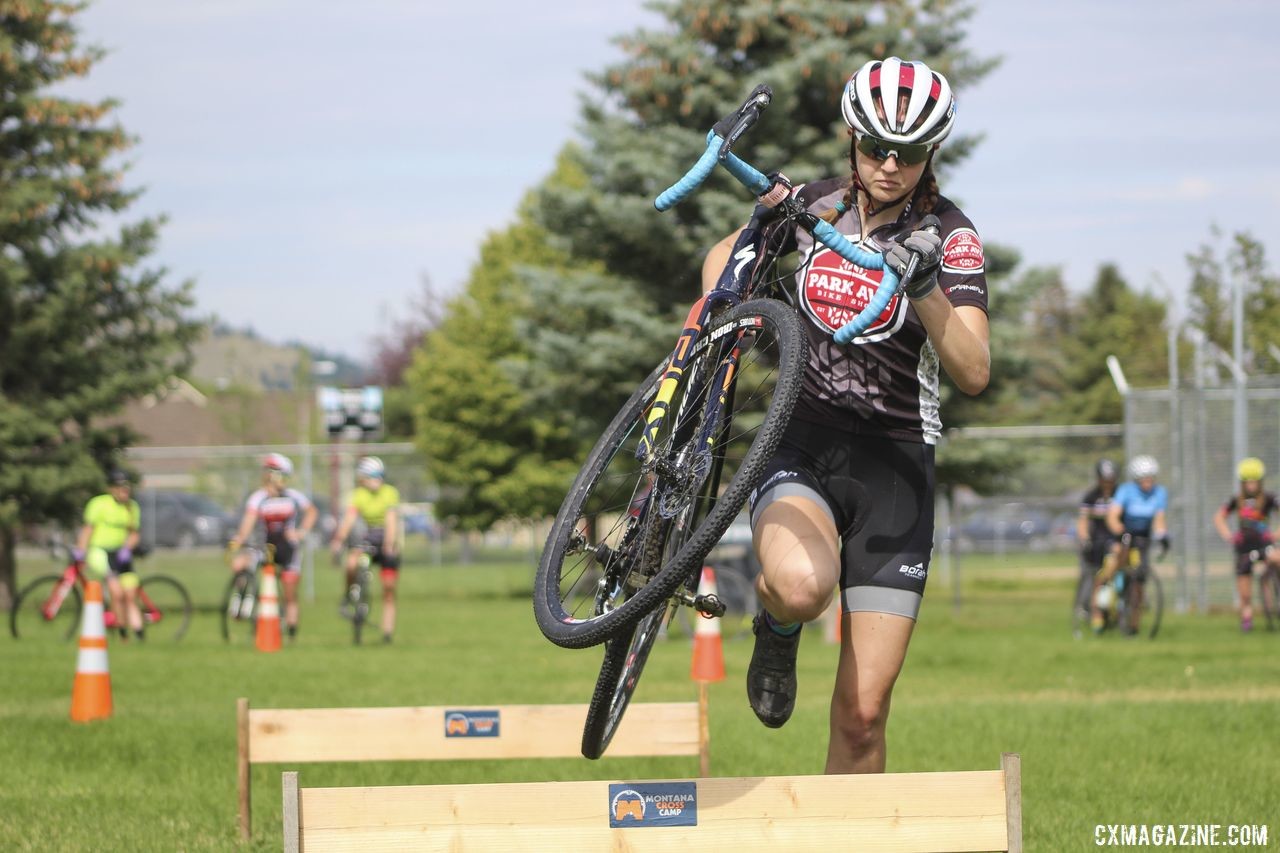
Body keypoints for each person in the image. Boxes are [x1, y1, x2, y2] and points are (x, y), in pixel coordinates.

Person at [701, 57, 989, 773]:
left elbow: (975, 369)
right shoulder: (817, 207)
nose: (891, 165)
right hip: (802, 443)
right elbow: (717, 267)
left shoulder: (951, 236)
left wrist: (925, 289)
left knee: (862, 718)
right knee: (801, 587)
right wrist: (734, 294)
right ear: (852, 140)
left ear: (933, 154)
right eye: (875, 146)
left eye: (911, 152)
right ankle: (775, 623)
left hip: (896, 468)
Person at [228, 453, 317, 641]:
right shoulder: (258, 498)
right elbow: (248, 521)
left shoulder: (293, 496)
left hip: (287, 549)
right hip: (263, 548)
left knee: (290, 592)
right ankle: (241, 602)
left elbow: (311, 512)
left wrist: (301, 533)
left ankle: (291, 631)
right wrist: (239, 539)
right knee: (239, 564)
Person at [1092, 455, 1169, 635]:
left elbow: (1159, 520)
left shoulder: (1159, 493)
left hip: (1143, 538)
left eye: (1151, 479)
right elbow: (1112, 516)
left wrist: (1162, 536)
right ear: (1136, 479)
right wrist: (1119, 530)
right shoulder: (1126, 491)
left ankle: (1134, 624)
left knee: (1140, 579)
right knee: (1114, 563)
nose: (1148, 483)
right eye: (1144, 480)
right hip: (1124, 534)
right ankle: (1101, 600)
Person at [329, 456, 402, 644]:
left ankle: (387, 632)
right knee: (352, 562)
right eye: (372, 477)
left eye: (379, 476)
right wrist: (339, 539)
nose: (377, 480)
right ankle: (349, 594)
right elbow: (349, 519)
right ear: (363, 478)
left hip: (387, 541)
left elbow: (391, 521)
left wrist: (389, 545)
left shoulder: (389, 493)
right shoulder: (359, 495)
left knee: (388, 589)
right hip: (369, 540)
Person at [74, 469, 143, 641]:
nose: (124, 492)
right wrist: (81, 550)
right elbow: (88, 529)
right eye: (120, 488)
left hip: (121, 553)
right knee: (116, 592)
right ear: (111, 489)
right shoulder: (98, 504)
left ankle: (139, 634)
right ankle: (122, 633)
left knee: (130, 594)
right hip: (101, 551)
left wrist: (127, 548)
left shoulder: (132, 507)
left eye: (127, 488)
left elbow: (134, 533)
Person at [1212, 457, 1279, 632]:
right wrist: (1229, 536)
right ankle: (1247, 621)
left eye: (1254, 481)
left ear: (1260, 481)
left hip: (1264, 544)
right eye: (1247, 481)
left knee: (1277, 558)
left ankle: (1275, 595)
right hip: (1243, 548)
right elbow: (1219, 517)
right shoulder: (1236, 500)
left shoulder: (1270, 498)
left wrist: (1275, 534)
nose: (1251, 485)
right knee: (1245, 594)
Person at [1074, 459, 1118, 632]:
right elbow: (1083, 521)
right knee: (1091, 575)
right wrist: (1084, 539)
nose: (1108, 483)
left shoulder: (1120, 494)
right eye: (1104, 479)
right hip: (1096, 542)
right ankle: (1090, 609)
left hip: (1114, 541)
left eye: (1111, 479)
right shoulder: (1091, 496)